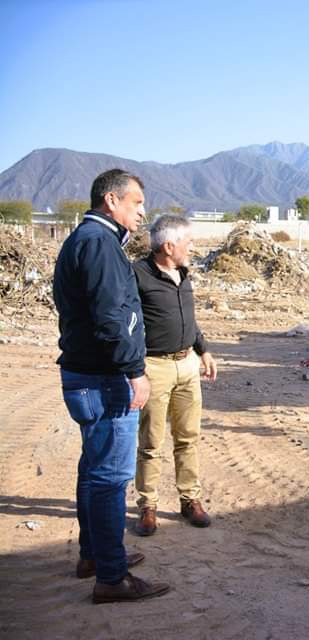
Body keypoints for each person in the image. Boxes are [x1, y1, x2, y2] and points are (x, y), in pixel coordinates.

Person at [54, 168, 170, 603]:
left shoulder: (87, 241)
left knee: (93, 470)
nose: (143, 211)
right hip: (104, 380)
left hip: (88, 376)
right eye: (136, 202)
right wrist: (134, 371)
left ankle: (94, 556)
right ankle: (111, 576)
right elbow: (110, 320)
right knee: (109, 478)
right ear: (112, 201)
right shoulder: (98, 244)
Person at [133, 214, 217, 536]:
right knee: (151, 442)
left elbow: (190, 319)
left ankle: (190, 500)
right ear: (169, 245)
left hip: (187, 365)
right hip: (154, 367)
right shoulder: (138, 275)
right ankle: (148, 506)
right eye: (188, 242)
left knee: (188, 438)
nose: (192, 248)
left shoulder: (184, 273)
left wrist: (203, 349)